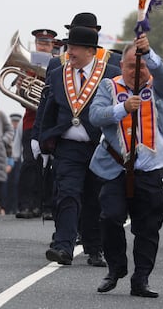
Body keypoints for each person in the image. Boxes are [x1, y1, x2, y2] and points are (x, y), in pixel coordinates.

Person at [89, 34, 163, 297]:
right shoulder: (109, 86)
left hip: (150, 171)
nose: (136, 71)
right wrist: (122, 108)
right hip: (117, 168)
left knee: (147, 227)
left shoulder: (158, 87)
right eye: (130, 66)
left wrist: (148, 52)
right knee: (110, 217)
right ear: (121, 66)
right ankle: (115, 269)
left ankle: (141, 278)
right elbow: (95, 115)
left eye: (141, 66)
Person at [35, 26, 120, 267]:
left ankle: (95, 249)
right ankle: (63, 247)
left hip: (99, 147)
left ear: (91, 51)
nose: (68, 52)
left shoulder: (110, 74)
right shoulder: (57, 74)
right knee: (67, 194)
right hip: (67, 147)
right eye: (68, 47)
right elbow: (48, 109)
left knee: (95, 199)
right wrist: (40, 139)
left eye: (73, 48)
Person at [16, 28, 57, 219]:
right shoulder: (28, 66)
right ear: (35, 44)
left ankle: (47, 206)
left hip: (51, 123)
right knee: (30, 163)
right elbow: (21, 97)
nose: (43, 46)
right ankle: (26, 205)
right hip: (31, 122)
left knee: (50, 165)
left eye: (47, 43)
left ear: (53, 46)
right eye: (40, 43)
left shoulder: (58, 65)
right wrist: (22, 85)